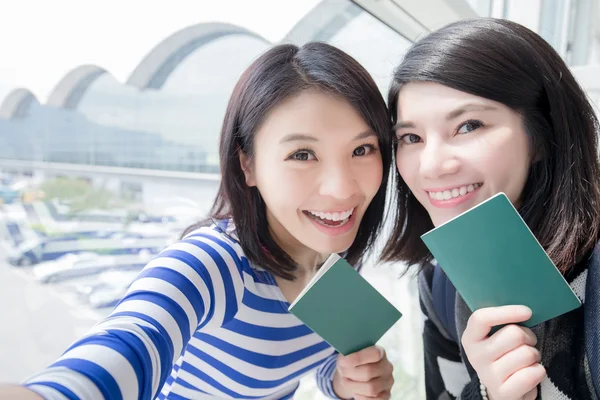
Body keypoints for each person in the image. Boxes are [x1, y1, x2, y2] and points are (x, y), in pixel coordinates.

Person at [0, 42, 395, 400]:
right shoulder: (215, 266)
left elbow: (310, 356)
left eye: (362, 148)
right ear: (248, 165)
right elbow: (134, 340)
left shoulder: (335, 251)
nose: (343, 190)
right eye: (303, 155)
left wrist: (342, 380)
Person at [382, 18, 600, 400]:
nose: (431, 165)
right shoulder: (441, 284)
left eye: (468, 126)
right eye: (410, 137)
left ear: (542, 136)